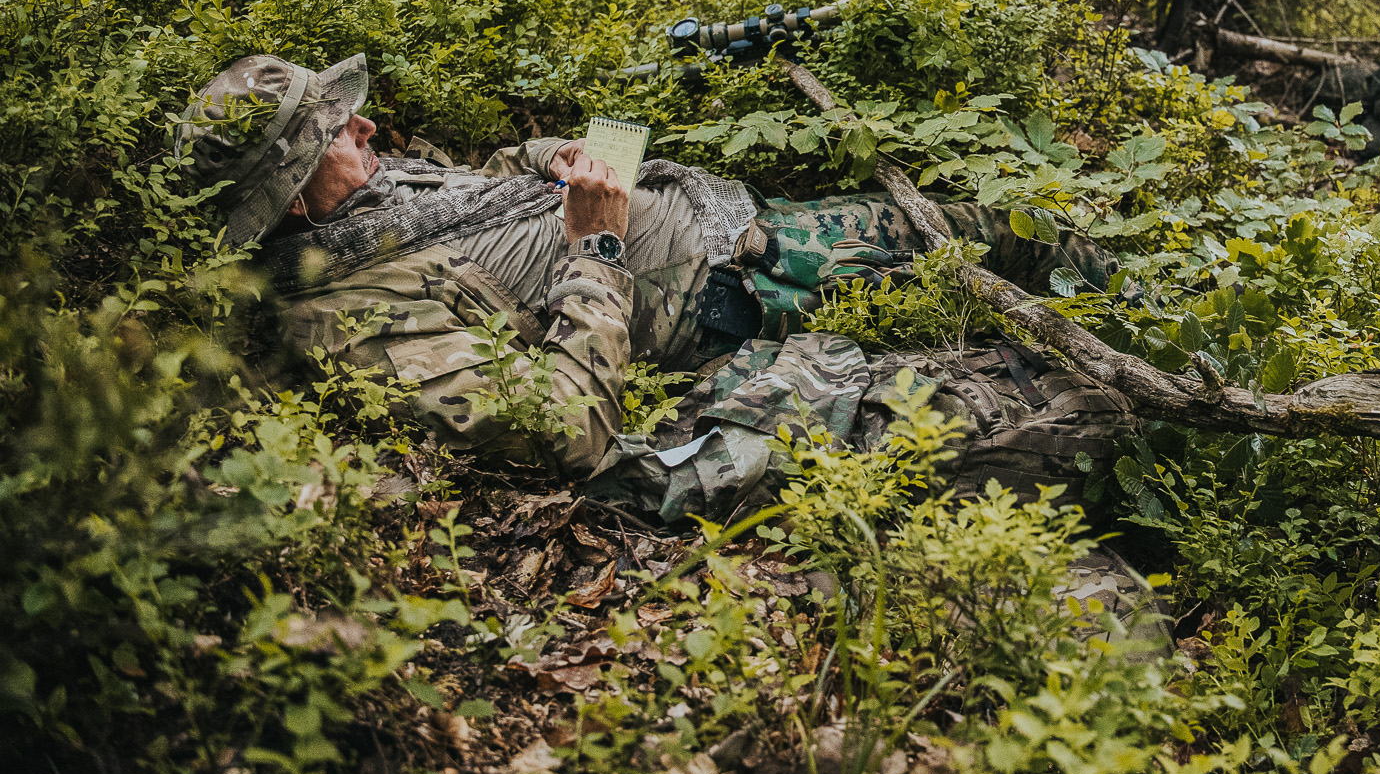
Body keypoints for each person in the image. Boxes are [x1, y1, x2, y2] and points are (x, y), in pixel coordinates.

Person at [178, 53, 1135, 526]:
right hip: (740, 283)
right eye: (341, 131)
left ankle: (1138, 291)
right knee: (986, 245)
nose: (371, 130)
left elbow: (477, 195)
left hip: (723, 222)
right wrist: (597, 249)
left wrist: (539, 155)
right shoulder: (350, 317)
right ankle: (1159, 352)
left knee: (1006, 234)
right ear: (293, 193)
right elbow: (562, 428)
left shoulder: (369, 203)